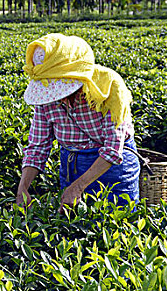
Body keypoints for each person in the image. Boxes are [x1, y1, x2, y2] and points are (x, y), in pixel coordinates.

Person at [15, 33, 140, 213]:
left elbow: (113, 149)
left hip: (113, 168)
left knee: (116, 221)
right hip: (72, 164)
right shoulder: (45, 99)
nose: (59, 97)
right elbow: (37, 147)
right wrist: (23, 188)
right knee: (71, 225)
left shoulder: (108, 87)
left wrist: (77, 187)